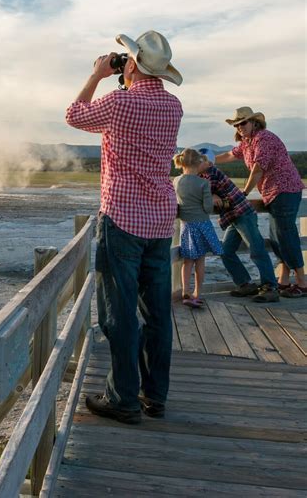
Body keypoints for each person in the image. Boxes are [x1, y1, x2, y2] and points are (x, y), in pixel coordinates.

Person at [66, 30, 183, 424]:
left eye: (125, 59)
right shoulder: (174, 106)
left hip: (123, 218)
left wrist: (98, 74)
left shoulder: (119, 101)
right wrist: (123, 73)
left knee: (119, 312)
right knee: (157, 314)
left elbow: (74, 115)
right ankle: (156, 396)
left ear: (131, 64)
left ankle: (123, 398)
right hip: (160, 219)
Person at [216, 107, 306, 298]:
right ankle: (283, 280)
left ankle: (302, 283)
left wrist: (245, 192)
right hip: (272, 194)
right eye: (237, 124)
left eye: (243, 123)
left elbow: (257, 169)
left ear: (254, 122)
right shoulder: (247, 142)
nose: (240, 127)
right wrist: (207, 160)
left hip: (285, 190)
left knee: (286, 235)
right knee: (276, 237)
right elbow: (231, 155)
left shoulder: (263, 138)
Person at [197, 146, 279, 302]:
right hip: (233, 216)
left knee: (256, 248)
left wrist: (211, 194)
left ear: (208, 163)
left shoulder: (210, 174)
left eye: (200, 161)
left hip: (242, 214)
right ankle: (245, 284)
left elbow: (202, 195)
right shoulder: (205, 175)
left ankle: (270, 287)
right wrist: (213, 194)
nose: (196, 163)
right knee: (225, 251)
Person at [173, 149, 222, 308]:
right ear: (198, 163)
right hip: (202, 224)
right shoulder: (203, 183)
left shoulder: (176, 181)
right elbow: (208, 208)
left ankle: (185, 292)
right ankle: (197, 293)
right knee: (200, 260)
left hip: (186, 226)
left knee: (187, 261)